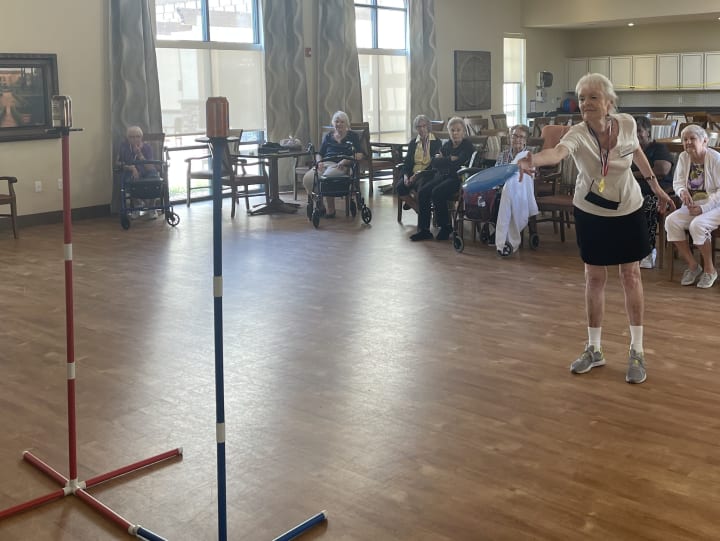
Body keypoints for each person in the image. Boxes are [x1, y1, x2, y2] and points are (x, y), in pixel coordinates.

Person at [517, 73, 676, 384]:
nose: (585, 103)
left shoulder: (627, 123)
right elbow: (557, 153)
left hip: (627, 207)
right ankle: (594, 348)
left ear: (609, 102)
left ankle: (637, 350)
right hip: (590, 210)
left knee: (630, 275)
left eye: (592, 97)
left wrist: (654, 186)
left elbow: (637, 153)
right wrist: (533, 158)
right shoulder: (577, 133)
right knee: (594, 276)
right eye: (582, 98)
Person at [664, 124, 720, 288]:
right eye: (685, 139)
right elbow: (678, 182)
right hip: (693, 205)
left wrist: (704, 208)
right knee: (671, 222)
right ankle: (694, 266)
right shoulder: (683, 157)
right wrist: (682, 192)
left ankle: (710, 270)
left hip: (715, 205)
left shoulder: (715, 159)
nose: (688, 142)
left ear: (704, 141)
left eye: (692, 138)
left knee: (698, 225)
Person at [410, 116, 474, 241]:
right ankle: (424, 230)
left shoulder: (467, 146)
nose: (455, 133)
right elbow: (434, 162)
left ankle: (446, 226)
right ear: (449, 132)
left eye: (458, 130)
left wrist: (444, 160)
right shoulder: (447, 144)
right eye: (452, 130)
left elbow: (459, 162)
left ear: (463, 132)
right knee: (423, 192)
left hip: (457, 178)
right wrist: (450, 159)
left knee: (437, 192)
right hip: (441, 175)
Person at [632, 115, 675, 268]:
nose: (636, 134)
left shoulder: (658, 148)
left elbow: (662, 170)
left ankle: (649, 251)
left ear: (648, 132)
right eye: (633, 131)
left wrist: (632, 174)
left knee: (647, 205)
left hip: (659, 192)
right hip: (633, 191)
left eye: (639, 131)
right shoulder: (628, 150)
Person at [302, 110, 363, 218]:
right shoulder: (328, 137)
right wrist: (318, 162)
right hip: (326, 163)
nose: (339, 124)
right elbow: (319, 153)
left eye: (342, 122)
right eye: (336, 121)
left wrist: (346, 160)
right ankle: (320, 204)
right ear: (333, 123)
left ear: (347, 124)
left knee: (327, 178)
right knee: (308, 179)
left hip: (343, 165)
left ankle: (331, 210)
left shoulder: (352, 136)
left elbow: (359, 155)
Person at [492, 124, 538, 256]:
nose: (518, 139)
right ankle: (500, 234)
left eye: (521, 137)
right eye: (515, 136)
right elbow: (496, 173)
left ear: (525, 140)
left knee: (507, 194)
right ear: (509, 138)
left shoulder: (529, 155)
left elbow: (533, 175)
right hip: (503, 188)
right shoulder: (503, 154)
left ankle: (506, 239)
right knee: (495, 197)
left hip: (522, 189)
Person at [396, 114, 442, 213]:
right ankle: (419, 210)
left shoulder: (436, 142)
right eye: (418, 127)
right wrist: (405, 176)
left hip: (427, 173)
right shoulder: (413, 143)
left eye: (424, 126)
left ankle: (420, 209)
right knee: (400, 186)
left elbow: (434, 163)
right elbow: (407, 162)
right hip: (412, 173)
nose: (421, 129)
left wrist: (418, 174)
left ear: (428, 126)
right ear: (416, 128)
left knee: (421, 188)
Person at [118, 126, 160, 217]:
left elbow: (150, 167)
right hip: (131, 172)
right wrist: (132, 168)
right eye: (131, 137)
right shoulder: (124, 147)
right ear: (128, 138)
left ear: (141, 137)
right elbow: (120, 163)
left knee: (154, 178)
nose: (135, 139)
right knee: (131, 180)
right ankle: (137, 205)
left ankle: (151, 207)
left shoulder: (147, 147)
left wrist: (140, 154)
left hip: (147, 171)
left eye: (137, 136)